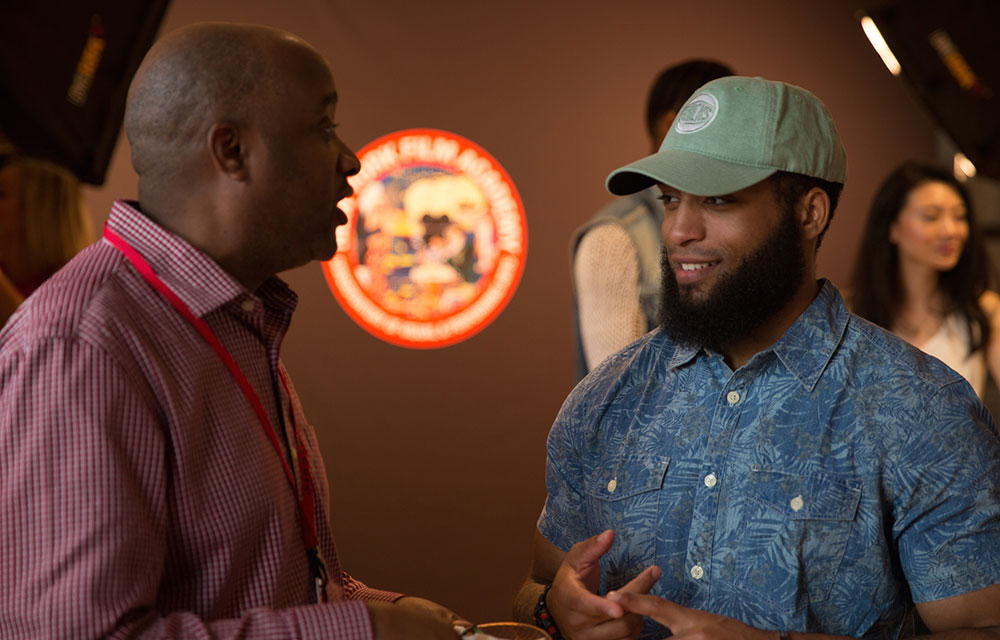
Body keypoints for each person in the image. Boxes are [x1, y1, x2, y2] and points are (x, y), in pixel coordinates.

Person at [0, 23, 464, 639]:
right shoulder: (82, 346)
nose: (351, 158)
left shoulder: (232, 320)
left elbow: (266, 588)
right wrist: (361, 633)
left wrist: (413, 622)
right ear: (231, 152)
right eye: (324, 127)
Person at [514, 76, 1000, 639]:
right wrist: (558, 610)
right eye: (670, 199)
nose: (677, 229)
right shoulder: (606, 398)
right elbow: (535, 589)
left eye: (718, 200)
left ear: (809, 213)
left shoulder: (920, 409)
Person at [571, 59, 733, 380]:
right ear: (671, 123)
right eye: (714, 117)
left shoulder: (744, 224)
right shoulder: (613, 239)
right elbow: (619, 397)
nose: (682, 232)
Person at [848, 162, 1000, 399]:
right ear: (892, 227)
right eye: (931, 216)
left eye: (960, 216)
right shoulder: (851, 312)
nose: (951, 230)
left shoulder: (984, 310)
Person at [0, 144, 93, 325]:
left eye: (1, 194)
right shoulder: (7, 273)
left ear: (36, 212)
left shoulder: (71, 292)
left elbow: (34, 336)